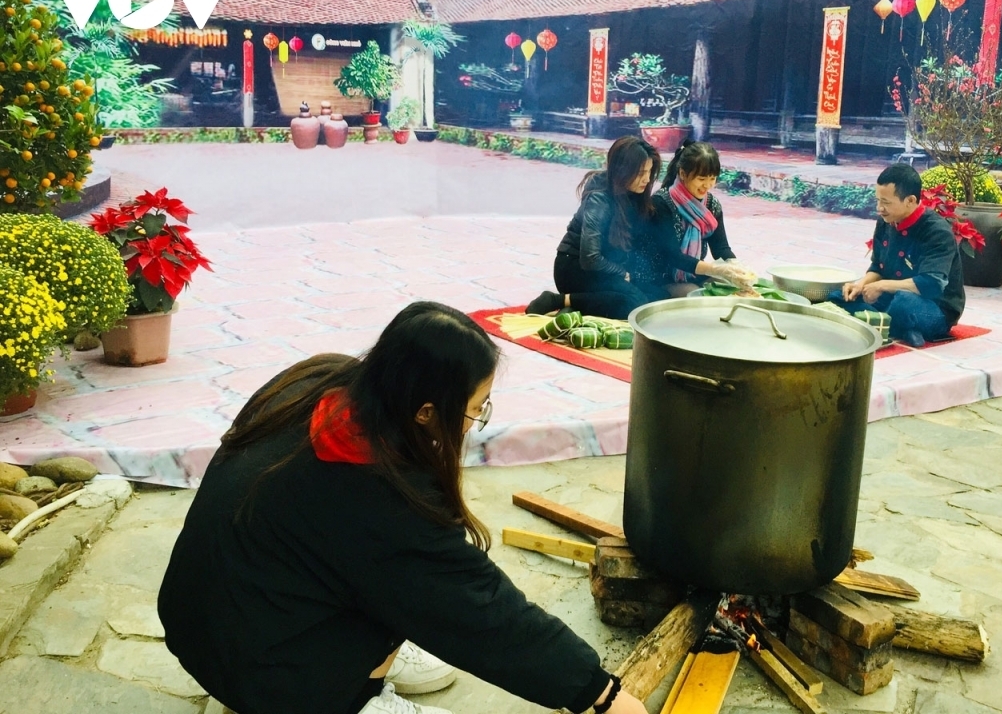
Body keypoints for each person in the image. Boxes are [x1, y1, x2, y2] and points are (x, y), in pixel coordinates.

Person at [158, 302, 646, 714]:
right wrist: (601, 695)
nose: (476, 420)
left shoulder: (317, 379)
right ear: (426, 411)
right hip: (258, 670)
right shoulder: (372, 494)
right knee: (418, 596)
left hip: (202, 616)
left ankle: (367, 660)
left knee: (397, 587)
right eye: (477, 407)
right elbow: (482, 612)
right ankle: (358, 695)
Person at [526, 136, 752, 319]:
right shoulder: (600, 198)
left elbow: (718, 247)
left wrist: (734, 268)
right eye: (640, 173)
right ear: (623, 170)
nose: (646, 180)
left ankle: (582, 304)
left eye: (649, 172)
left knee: (654, 296)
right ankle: (558, 300)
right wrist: (622, 272)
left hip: (610, 267)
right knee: (634, 304)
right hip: (576, 267)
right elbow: (590, 257)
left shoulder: (637, 194)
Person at [834, 163, 965, 347]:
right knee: (838, 296)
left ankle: (882, 324)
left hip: (934, 307)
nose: (879, 208)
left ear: (910, 200)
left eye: (886, 203)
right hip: (891, 295)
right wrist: (860, 285)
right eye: (878, 201)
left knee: (902, 303)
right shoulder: (885, 222)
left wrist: (882, 286)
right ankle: (900, 329)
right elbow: (877, 267)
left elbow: (931, 284)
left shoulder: (936, 231)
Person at [636, 141, 739, 297]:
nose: (707, 185)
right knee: (693, 294)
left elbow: (721, 248)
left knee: (733, 287)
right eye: (702, 178)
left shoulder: (712, 205)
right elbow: (673, 257)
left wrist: (736, 267)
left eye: (712, 178)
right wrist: (714, 269)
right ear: (683, 174)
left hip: (693, 274)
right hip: (659, 278)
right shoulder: (661, 203)